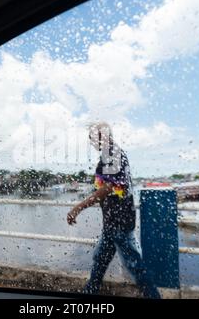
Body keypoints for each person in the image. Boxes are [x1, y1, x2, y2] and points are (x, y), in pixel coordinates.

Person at [66, 122, 161, 299]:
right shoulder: (109, 154)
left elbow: (108, 187)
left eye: (92, 136)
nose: (91, 141)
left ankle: (153, 296)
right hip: (113, 221)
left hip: (119, 221)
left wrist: (78, 207)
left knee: (134, 265)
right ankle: (91, 289)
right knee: (100, 258)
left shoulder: (111, 153)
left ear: (103, 136)